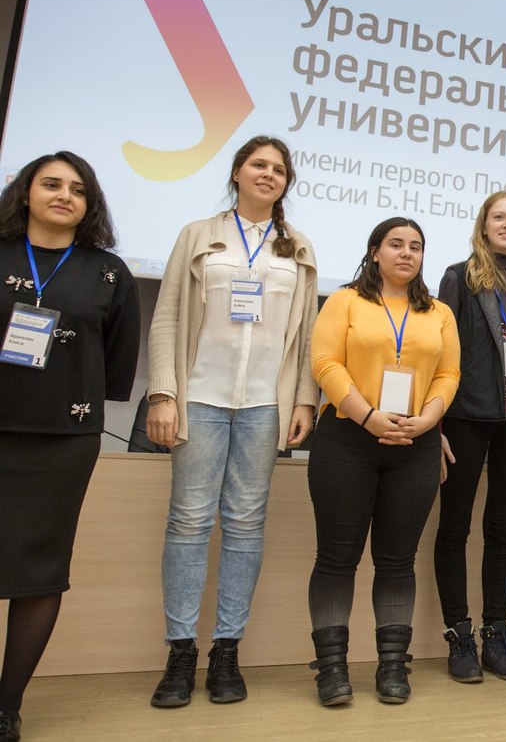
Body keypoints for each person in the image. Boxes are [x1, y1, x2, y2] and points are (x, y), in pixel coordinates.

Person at [146, 136, 318, 707]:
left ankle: (226, 650)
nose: (268, 174)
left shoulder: (298, 248)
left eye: (279, 169)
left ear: (286, 182)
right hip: (199, 396)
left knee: (245, 524)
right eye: (258, 165)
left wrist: (304, 400)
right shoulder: (198, 235)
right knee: (189, 522)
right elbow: (167, 316)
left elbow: (306, 337)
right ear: (238, 172)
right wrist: (163, 393)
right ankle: (180, 652)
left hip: (265, 406)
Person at [0, 152, 140, 742]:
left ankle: (6, 707)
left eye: (78, 189)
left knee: (39, 571)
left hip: (62, 439)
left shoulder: (109, 272)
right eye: (52, 184)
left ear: (90, 204)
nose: (64, 195)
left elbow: (117, 360)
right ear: (24, 192)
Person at [306, 217, 460, 705]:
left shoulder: (439, 312)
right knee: (337, 559)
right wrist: (368, 417)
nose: (406, 253)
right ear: (375, 251)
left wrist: (428, 420)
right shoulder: (345, 301)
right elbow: (325, 364)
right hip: (346, 439)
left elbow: (449, 374)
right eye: (396, 244)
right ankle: (331, 669)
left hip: (415, 444)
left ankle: (393, 666)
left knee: (397, 561)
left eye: (416, 246)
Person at [434, 191, 506, 683]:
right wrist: (436, 421)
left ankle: (496, 635)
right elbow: (439, 350)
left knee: (501, 529)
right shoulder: (458, 277)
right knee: (455, 527)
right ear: (483, 225)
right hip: (464, 415)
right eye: (499, 217)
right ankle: (459, 635)